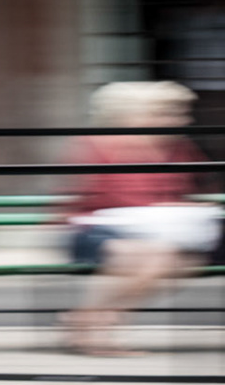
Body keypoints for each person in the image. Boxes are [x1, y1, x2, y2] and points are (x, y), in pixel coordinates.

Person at [60, 81, 220, 356]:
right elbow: (104, 196)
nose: (181, 120)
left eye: (180, 113)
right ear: (138, 114)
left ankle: (87, 321)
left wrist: (182, 207)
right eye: (169, 112)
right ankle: (96, 326)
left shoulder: (179, 149)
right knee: (148, 257)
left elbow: (194, 188)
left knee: (171, 258)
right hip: (95, 229)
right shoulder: (100, 145)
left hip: (158, 232)